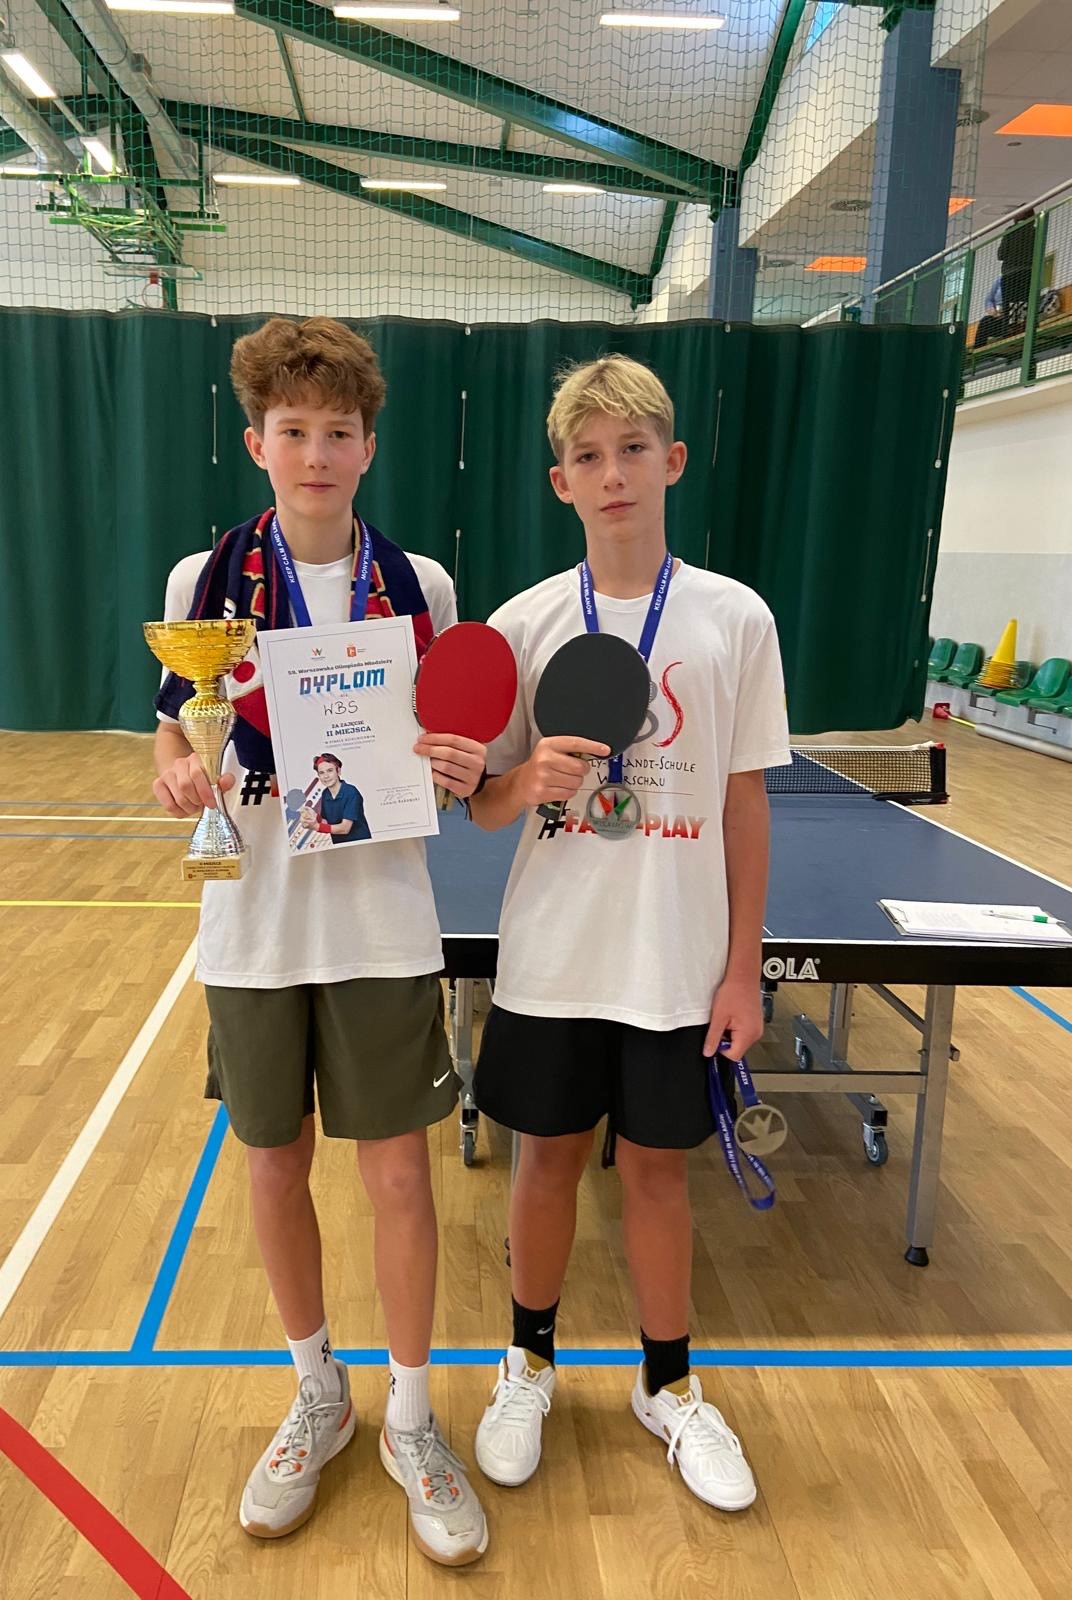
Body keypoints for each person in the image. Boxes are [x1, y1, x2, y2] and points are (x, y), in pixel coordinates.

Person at [153, 317, 489, 1565]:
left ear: (366, 447)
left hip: (382, 924)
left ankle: (411, 1414)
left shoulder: (423, 588)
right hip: (252, 927)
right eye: (291, 430)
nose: (314, 453)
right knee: (273, 1164)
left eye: (336, 431)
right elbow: (170, 730)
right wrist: (175, 769)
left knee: (399, 1176)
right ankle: (318, 1392)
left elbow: (452, 748)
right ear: (257, 443)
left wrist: (456, 763)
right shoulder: (202, 582)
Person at [467, 354, 791, 1511]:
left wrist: (743, 969)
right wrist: (525, 780)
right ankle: (527, 1365)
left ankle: (668, 1383)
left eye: (633, 451)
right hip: (553, 956)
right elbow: (484, 802)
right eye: (589, 457)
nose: (613, 475)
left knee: (657, 1173)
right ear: (561, 481)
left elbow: (746, 803)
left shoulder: (735, 617)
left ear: (673, 462)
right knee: (546, 1160)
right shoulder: (523, 623)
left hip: (676, 962)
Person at [300, 753, 372, 843]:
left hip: (360, 844)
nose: (326, 776)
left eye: (330, 770)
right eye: (321, 773)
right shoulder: (325, 794)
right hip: (339, 845)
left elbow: (345, 828)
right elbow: (327, 822)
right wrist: (315, 817)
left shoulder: (351, 792)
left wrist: (316, 827)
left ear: (338, 771)